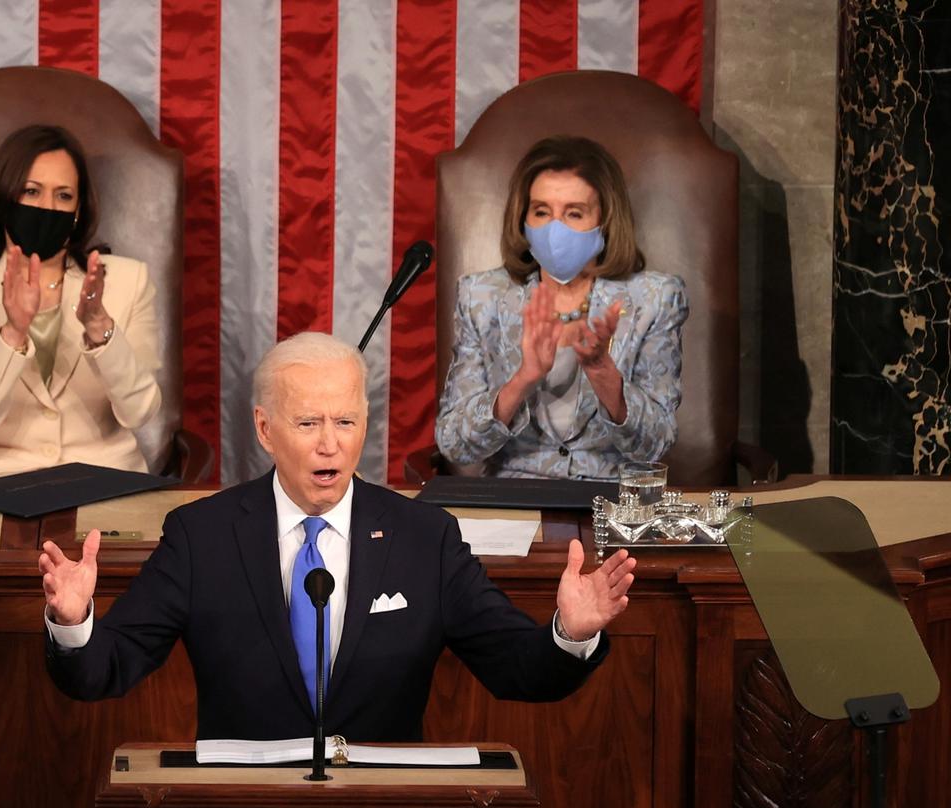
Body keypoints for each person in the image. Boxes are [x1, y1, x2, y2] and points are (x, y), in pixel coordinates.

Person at [40, 332, 635, 742]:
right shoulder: (203, 535)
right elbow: (104, 670)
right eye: (308, 423)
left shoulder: (424, 537)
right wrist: (73, 623)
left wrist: (569, 636)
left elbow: (518, 670)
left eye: (346, 422)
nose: (331, 444)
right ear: (266, 429)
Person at [0, 125, 162, 486]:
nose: (47, 208)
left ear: (78, 210)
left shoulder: (129, 281)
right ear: (4, 197)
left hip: (100, 482)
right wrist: (13, 333)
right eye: (31, 191)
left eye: (63, 196)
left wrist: (99, 328)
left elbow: (140, 412)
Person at [435, 135, 688, 480]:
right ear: (523, 219)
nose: (555, 229)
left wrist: (604, 376)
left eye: (574, 213)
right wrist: (522, 380)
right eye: (541, 211)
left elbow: (657, 444)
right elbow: (455, 445)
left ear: (606, 220)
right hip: (515, 501)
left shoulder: (654, 299)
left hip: (611, 502)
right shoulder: (482, 297)